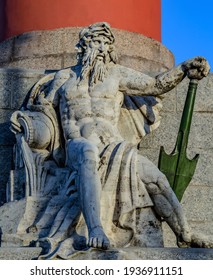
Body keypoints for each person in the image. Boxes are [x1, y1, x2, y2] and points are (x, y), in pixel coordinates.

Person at [11, 22, 211, 254]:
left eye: (107, 43)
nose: (102, 48)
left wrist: (184, 68)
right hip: (78, 144)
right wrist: (27, 123)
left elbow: (155, 85)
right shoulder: (63, 78)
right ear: (83, 46)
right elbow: (44, 111)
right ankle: (96, 229)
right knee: (88, 155)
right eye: (97, 42)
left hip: (115, 146)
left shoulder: (117, 75)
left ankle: (184, 233)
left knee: (156, 178)